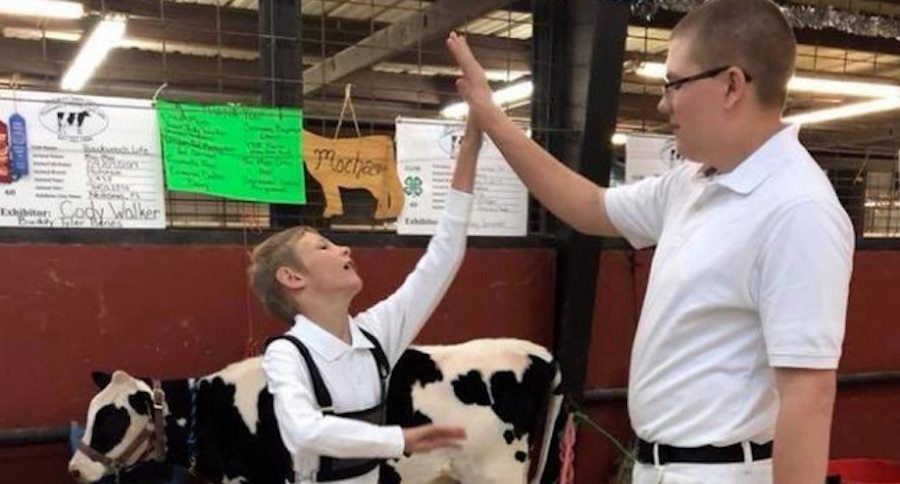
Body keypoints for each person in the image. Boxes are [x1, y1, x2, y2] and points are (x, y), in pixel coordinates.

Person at [445, 0, 854, 482]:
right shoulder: (695, 181)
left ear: (732, 85)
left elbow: (808, 395)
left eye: (674, 84)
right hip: (658, 466)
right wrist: (492, 118)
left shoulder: (797, 210)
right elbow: (590, 207)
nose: (663, 104)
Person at [251, 117, 482, 483]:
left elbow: (443, 257)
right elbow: (305, 430)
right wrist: (398, 438)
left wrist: (468, 155)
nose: (343, 248)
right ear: (292, 277)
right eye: (323, 247)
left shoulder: (376, 335)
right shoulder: (287, 354)